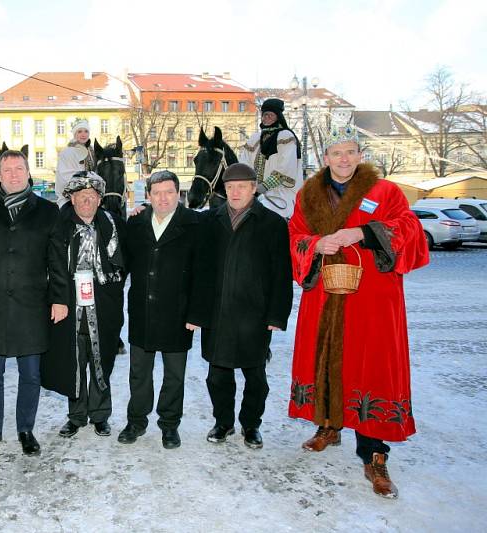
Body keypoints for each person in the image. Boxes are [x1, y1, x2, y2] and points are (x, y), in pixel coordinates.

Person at [288, 125, 429, 499]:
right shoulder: (309, 193)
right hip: (324, 294)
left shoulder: (384, 192)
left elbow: (410, 229)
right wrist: (316, 243)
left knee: (370, 364)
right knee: (325, 355)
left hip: (372, 297)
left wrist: (363, 233)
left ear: (360, 155)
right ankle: (329, 426)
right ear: (326, 158)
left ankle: (374, 453)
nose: (344, 159)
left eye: (350, 152)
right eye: (337, 153)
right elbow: (295, 235)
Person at [0, 150, 69, 456]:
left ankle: (26, 429)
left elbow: (58, 260)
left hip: (31, 305)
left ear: (28, 173)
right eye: (7, 170)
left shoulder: (49, 211)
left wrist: (60, 299)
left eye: (18, 168)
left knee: (31, 375)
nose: (13, 174)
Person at [199, 163, 293, 450]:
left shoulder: (272, 224)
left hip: (254, 314)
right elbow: (198, 269)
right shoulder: (209, 221)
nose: (235, 192)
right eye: (230, 187)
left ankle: (251, 425)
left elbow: (281, 274)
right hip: (218, 313)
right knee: (217, 377)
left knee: (256, 378)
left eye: (242, 186)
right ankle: (224, 422)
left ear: (254, 189)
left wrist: (277, 314)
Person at [118, 170, 204, 449]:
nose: (163, 198)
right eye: (157, 193)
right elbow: (123, 265)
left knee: (174, 374)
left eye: (169, 192)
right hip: (142, 310)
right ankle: (136, 420)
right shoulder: (136, 223)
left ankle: (169, 424)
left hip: (177, 314)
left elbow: (204, 273)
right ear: (148, 196)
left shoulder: (194, 224)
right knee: (139, 372)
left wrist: (195, 314)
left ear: (178, 194)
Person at [41, 172, 126, 438]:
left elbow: (129, 258)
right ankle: (76, 416)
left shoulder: (114, 225)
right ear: (72, 199)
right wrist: (58, 300)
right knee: (74, 360)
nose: (86, 200)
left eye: (92, 196)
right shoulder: (59, 227)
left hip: (104, 306)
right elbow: (53, 266)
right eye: (81, 196)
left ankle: (100, 415)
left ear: (100, 200)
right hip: (70, 305)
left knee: (100, 359)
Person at [238, 98, 303, 218]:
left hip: (280, 192)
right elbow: (244, 162)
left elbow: (286, 166)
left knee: (264, 210)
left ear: (278, 116)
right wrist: (247, 184)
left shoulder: (286, 136)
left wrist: (264, 186)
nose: (265, 118)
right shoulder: (255, 139)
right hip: (254, 192)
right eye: (264, 115)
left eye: (270, 115)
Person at [55, 118, 95, 207]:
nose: (83, 134)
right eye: (79, 131)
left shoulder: (92, 151)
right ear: (75, 134)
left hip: (91, 197)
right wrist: (91, 179)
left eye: (86, 131)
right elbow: (67, 176)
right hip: (68, 199)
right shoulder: (67, 152)